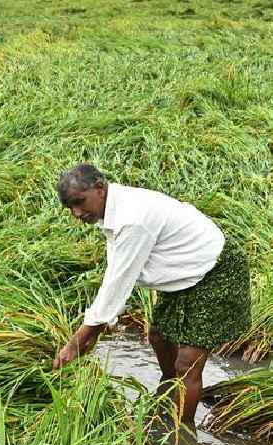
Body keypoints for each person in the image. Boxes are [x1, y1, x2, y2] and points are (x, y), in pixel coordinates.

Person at [51, 163, 251, 428]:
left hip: (214, 270)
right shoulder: (113, 209)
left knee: (187, 364)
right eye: (70, 208)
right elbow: (117, 274)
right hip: (183, 269)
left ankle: (182, 435)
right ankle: (169, 388)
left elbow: (117, 283)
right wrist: (96, 329)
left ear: (99, 188)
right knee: (159, 336)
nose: (76, 213)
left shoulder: (132, 219)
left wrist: (77, 342)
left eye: (79, 202)